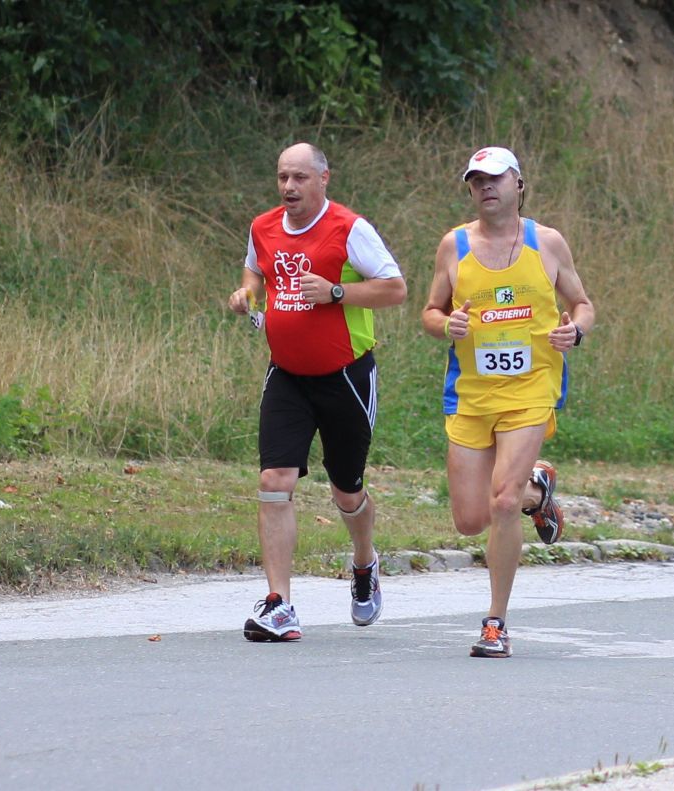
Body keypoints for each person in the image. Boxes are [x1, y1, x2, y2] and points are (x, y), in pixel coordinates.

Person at [228, 142, 407, 642]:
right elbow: (255, 268)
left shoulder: (349, 229)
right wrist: (247, 294)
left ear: (324, 179)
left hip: (345, 375)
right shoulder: (262, 226)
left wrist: (336, 292)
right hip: (286, 374)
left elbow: (396, 288)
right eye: (283, 177)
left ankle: (365, 563)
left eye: (300, 178)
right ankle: (279, 604)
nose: (289, 187)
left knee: (346, 489)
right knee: (274, 477)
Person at [422, 146, 594, 658]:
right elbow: (431, 311)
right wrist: (446, 324)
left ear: (519, 184)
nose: (486, 188)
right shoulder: (453, 247)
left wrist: (575, 333)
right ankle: (537, 493)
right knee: (470, 519)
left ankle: (495, 623)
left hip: (531, 389)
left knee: (501, 503)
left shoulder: (548, 243)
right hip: (471, 394)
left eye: (496, 178)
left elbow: (582, 305)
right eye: (476, 181)